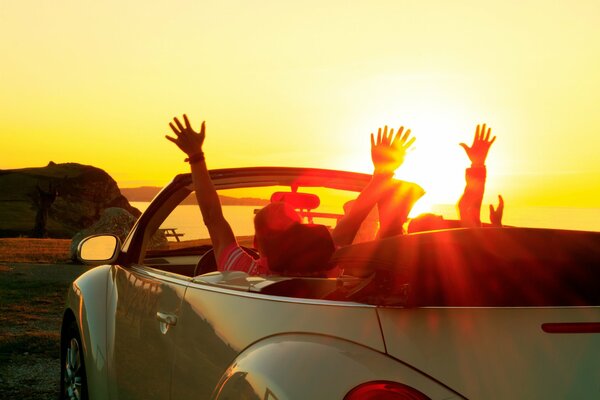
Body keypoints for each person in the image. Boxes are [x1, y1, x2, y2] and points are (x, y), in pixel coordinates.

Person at [165, 115, 417, 275]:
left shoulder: (242, 269)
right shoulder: (329, 262)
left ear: (256, 244)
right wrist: (382, 172)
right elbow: (359, 211)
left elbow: (212, 215)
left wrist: (196, 157)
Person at [408, 123, 503, 233]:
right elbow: (466, 207)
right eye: (440, 220)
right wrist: (478, 164)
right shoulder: (465, 244)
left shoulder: (463, 244)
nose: (445, 220)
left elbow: (466, 207)